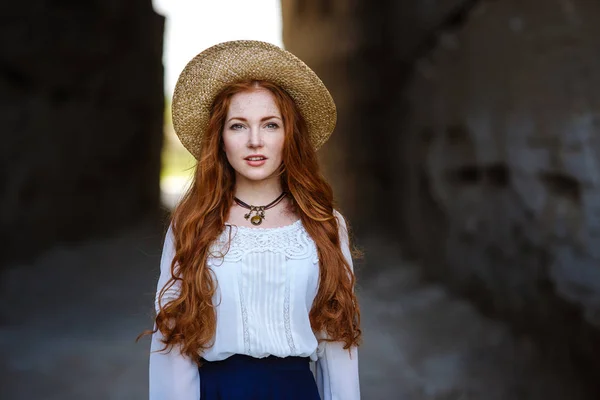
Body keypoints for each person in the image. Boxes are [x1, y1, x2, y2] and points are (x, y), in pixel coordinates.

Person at [146, 40, 361, 400]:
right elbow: (174, 342)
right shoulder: (192, 223)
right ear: (220, 138)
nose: (255, 141)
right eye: (239, 126)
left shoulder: (323, 224)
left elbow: (338, 344)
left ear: (289, 135)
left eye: (271, 125)